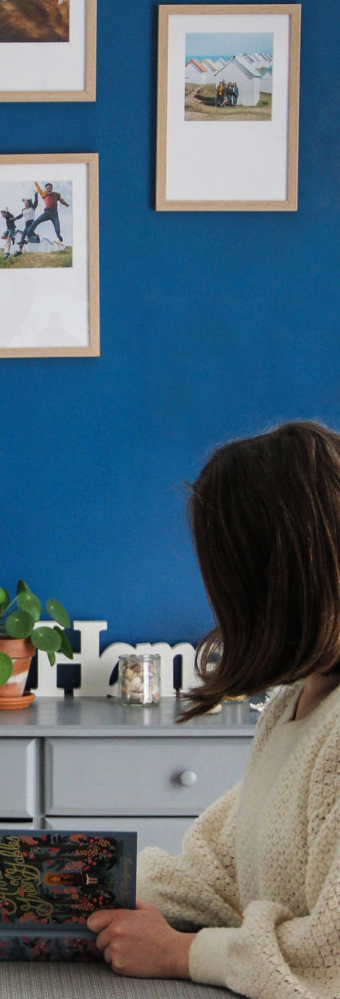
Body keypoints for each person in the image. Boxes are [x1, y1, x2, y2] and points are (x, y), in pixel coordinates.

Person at [84, 421, 340, 997]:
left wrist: (180, 953)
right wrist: (63, 883)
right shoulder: (295, 703)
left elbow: (332, 961)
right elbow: (221, 871)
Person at [18, 181, 68, 251]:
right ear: (45, 189)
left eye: (49, 188)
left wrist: (66, 204)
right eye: (47, 189)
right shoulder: (44, 194)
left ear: (52, 188)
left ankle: (58, 234)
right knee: (36, 222)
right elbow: (39, 190)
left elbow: (61, 200)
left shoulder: (56, 194)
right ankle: (28, 233)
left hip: (54, 214)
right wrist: (36, 183)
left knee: (57, 226)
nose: (48, 190)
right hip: (46, 213)